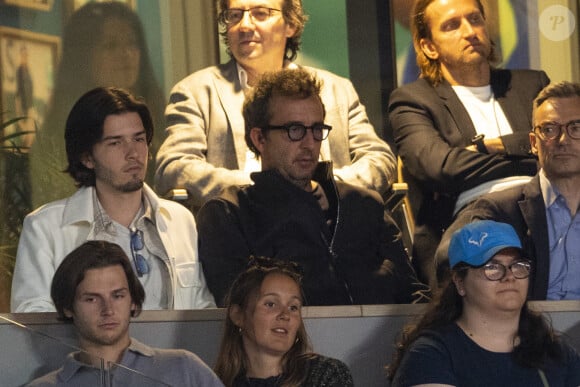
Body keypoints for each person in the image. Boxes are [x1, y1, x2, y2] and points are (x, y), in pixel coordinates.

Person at [197, 68, 427, 306]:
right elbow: (243, 312)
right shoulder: (230, 214)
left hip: (385, 340)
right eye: (294, 130)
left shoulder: (363, 204)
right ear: (259, 138)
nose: (310, 144)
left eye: (317, 130)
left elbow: (414, 298)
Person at [155, 0, 396, 213]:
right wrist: (257, 189)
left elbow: (380, 159)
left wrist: (330, 187)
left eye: (260, 13)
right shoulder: (197, 91)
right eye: (235, 15)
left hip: (328, 229)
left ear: (290, 24)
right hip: (246, 232)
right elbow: (173, 167)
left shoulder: (336, 89)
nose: (245, 25)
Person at [388, 0, 550, 288]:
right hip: (469, 226)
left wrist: (491, 146)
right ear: (429, 47)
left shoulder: (532, 84)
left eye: (475, 19)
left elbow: (562, 149)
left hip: (544, 210)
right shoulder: (414, 99)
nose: (470, 31)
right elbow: (441, 168)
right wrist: (531, 149)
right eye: (452, 25)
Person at [11, 87, 215, 312]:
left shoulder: (180, 220)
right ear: (87, 157)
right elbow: (34, 321)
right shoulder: (45, 227)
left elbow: (202, 309)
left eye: (138, 139)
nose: (133, 153)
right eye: (115, 143)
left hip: (172, 348)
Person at [388, 220, 580, 387]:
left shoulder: (556, 352)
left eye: (518, 265)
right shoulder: (431, 355)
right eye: (492, 268)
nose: (509, 276)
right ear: (459, 282)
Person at [435, 81, 580, 299]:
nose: (563, 140)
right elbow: (448, 260)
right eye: (549, 129)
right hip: (526, 328)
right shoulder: (500, 210)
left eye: (576, 128)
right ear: (533, 143)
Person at [26, 240, 224, 387]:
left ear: (132, 301)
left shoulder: (183, 368)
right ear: (68, 307)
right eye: (91, 299)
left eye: (118, 296)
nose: (108, 310)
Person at [29, 1, 165, 209]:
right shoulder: (57, 135)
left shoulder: (158, 117)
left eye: (132, 43)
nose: (126, 54)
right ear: (84, 56)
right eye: (110, 45)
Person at [215, 256, 354, 387]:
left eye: (293, 307)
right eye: (271, 304)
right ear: (238, 315)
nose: (285, 315)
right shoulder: (213, 382)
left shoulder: (326, 375)